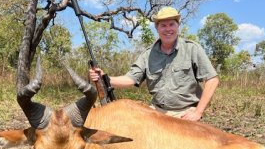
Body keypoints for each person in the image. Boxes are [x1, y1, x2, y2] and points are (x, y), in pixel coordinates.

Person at [89, 7, 219, 121]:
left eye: (171, 24)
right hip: (156, 110)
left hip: (185, 112)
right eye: (163, 25)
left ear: (177, 26)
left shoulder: (192, 49)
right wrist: (105, 78)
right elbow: (131, 79)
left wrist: (197, 112)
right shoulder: (147, 54)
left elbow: (212, 80)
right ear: (157, 28)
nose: (168, 29)